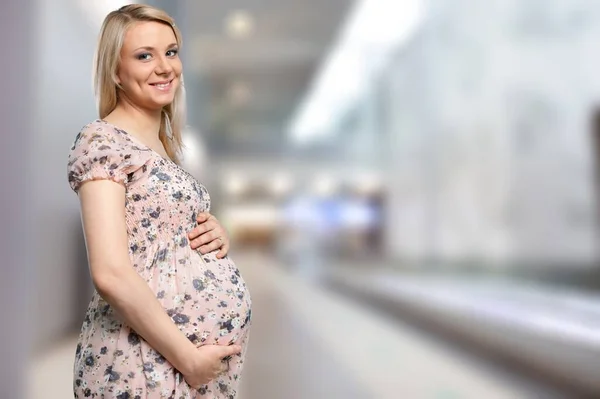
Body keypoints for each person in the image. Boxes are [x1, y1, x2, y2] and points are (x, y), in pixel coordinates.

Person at [66, 4, 252, 398]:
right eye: (144, 55)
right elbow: (111, 273)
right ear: (116, 72)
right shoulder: (103, 142)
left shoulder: (161, 150)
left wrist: (210, 236)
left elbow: (155, 236)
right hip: (143, 367)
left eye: (170, 51)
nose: (165, 66)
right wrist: (188, 358)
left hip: (180, 370)